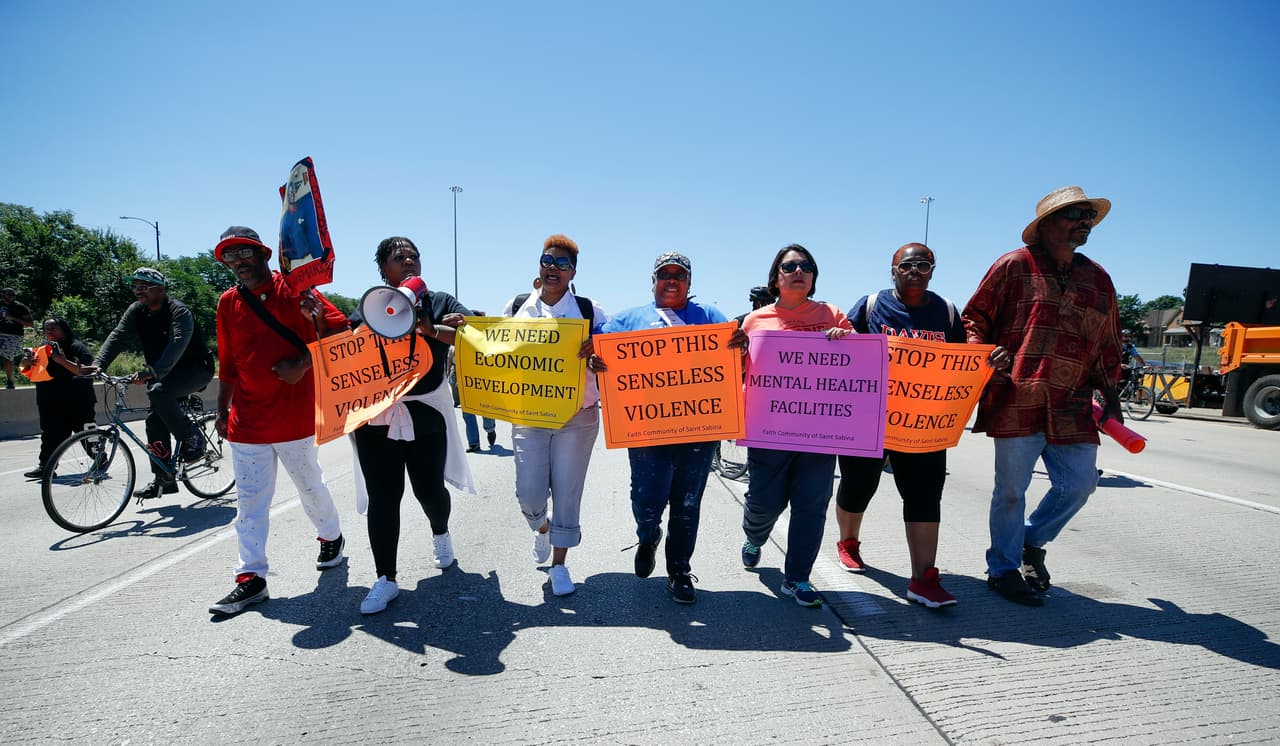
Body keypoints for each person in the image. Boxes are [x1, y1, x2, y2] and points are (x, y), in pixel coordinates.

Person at [962, 186, 1123, 607]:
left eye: (1088, 216)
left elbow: (1108, 341)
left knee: (1080, 484)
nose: (1084, 222)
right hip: (1018, 395)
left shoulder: (1099, 278)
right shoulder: (1014, 265)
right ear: (1046, 224)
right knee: (1011, 491)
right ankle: (1002, 569)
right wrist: (984, 353)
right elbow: (974, 317)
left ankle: (1031, 542)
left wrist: (1112, 392)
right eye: (1074, 214)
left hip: (1073, 401)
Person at [207, 226, 348, 616]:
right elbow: (229, 362)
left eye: (245, 253)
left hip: (294, 416)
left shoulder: (298, 290)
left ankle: (331, 536)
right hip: (248, 420)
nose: (238, 262)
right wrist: (222, 409)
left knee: (309, 487)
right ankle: (250, 578)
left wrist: (302, 364)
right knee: (250, 503)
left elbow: (342, 334)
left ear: (265, 255)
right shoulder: (227, 303)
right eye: (230, 257)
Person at [598, 252, 748, 604]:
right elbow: (597, 348)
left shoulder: (710, 317)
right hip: (647, 431)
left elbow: (734, 354)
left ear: (689, 282)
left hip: (698, 430)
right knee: (646, 499)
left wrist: (740, 347)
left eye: (679, 275)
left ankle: (679, 570)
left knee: (687, 502)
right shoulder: (627, 320)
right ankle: (648, 535)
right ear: (652, 280)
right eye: (664, 274)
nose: (671, 280)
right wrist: (594, 354)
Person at [352, 236, 475, 615]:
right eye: (398, 257)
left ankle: (441, 532)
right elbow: (353, 344)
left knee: (428, 490)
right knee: (384, 497)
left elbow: (471, 338)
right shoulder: (371, 303)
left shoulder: (441, 302)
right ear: (383, 270)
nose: (408, 261)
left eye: (413, 256)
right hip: (377, 419)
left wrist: (429, 327)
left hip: (425, 416)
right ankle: (385, 578)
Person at [837, 243, 964, 608]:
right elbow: (844, 348)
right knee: (858, 486)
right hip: (869, 419)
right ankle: (849, 541)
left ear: (933, 271)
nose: (915, 271)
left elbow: (965, 360)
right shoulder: (872, 305)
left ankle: (924, 578)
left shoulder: (948, 313)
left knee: (925, 495)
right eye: (907, 265)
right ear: (892, 270)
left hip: (923, 424)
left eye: (924, 265)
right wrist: (838, 337)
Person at [740, 244, 852, 608]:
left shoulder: (832, 314)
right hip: (768, 431)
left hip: (820, 433)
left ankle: (797, 578)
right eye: (790, 266)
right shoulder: (755, 321)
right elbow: (738, 370)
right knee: (763, 503)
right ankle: (754, 535)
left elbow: (859, 361)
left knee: (812, 504)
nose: (799, 271)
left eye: (806, 266)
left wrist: (845, 342)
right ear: (776, 277)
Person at [500, 234, 606, 597]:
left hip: (577, 418)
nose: (553, 268)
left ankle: (559, 565)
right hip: (529, 415)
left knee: (567, 492)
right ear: (539, 265)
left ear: (572, 272)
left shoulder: (590, 311)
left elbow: (612, 357)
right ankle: (541, 528)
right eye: (548, 261)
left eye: (562, 264)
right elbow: (495, 353)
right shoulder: (517, 308)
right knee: (528, 494)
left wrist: (598, 355)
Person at [91, 268, 215, 499]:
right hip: (164, 373)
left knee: (158, 391)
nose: (139, 291)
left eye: (144, 286)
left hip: (195, 369)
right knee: (153, 422)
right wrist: (98, 364)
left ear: (160, 288)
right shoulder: (137, 311)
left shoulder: (179, 311)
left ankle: (192, 437)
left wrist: (153, 371)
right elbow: (117, 336)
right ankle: (163, 480)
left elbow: (177, 344)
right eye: (136, 286)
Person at [19, 318, 95, 479]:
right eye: (46, 329)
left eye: (53, 328)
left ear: (64, 329)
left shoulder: (77, 348)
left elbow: (87, 371)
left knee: (87, 434)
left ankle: (101, 460)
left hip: (78, 401)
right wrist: (26, 363)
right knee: (50, 436)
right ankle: (45, 467)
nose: (49, 332)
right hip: (50, 401)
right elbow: (30, 372)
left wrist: (61, 360)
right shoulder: (42, 350)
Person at [449, 310, 497, 452]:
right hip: (464, 380)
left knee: (485, 409)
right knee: (467, 413)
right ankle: (474, 443)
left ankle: (490, 429)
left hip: (483, 381)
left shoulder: (488, 339)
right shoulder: (460, 337)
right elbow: (454, 358)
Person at [1, 287, 35, 389]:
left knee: (7, 357)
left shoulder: (20, 307)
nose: (10, 298)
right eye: (7, 295)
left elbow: (30, 324)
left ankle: (10, 381)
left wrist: (13, 318)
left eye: (12, 296)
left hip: (14, 335)